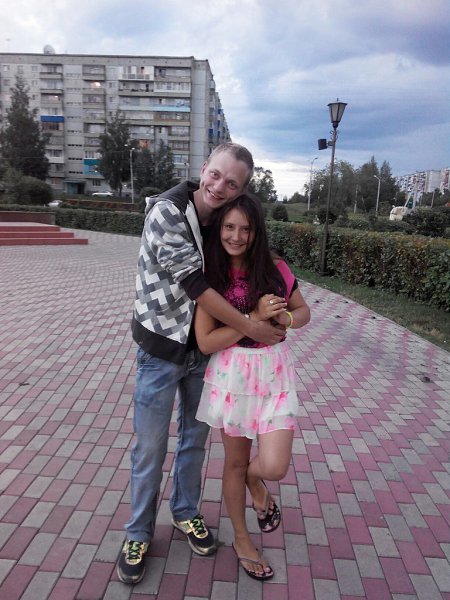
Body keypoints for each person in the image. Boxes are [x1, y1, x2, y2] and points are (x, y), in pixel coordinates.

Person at [118, 143, 287, 585]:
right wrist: (252, 327)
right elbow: (198, 287)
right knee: (151, 447)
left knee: (194, 442)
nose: (219, 186)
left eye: (232, 183)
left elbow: (246, 261)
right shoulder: (168, 212)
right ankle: (138, 533)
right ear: (203, 167)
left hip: (204, 353)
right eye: (215, 174)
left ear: (241, 190)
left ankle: (185, 512)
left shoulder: (221, 220)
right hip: (160, 349)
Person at [195, 194, 311, 580]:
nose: (236, 236)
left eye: (245, 228)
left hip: (275, 373)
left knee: (274, 465)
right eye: (229, 227)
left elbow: (303, 310)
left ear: (257, 231)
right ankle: (243, 540)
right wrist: (254, 318)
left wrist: (285, 320)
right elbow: (206, 342)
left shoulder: (275, 267)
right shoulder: (211, 274)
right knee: (234, 461)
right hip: (234, 375)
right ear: (219, 229)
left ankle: (254, 478)